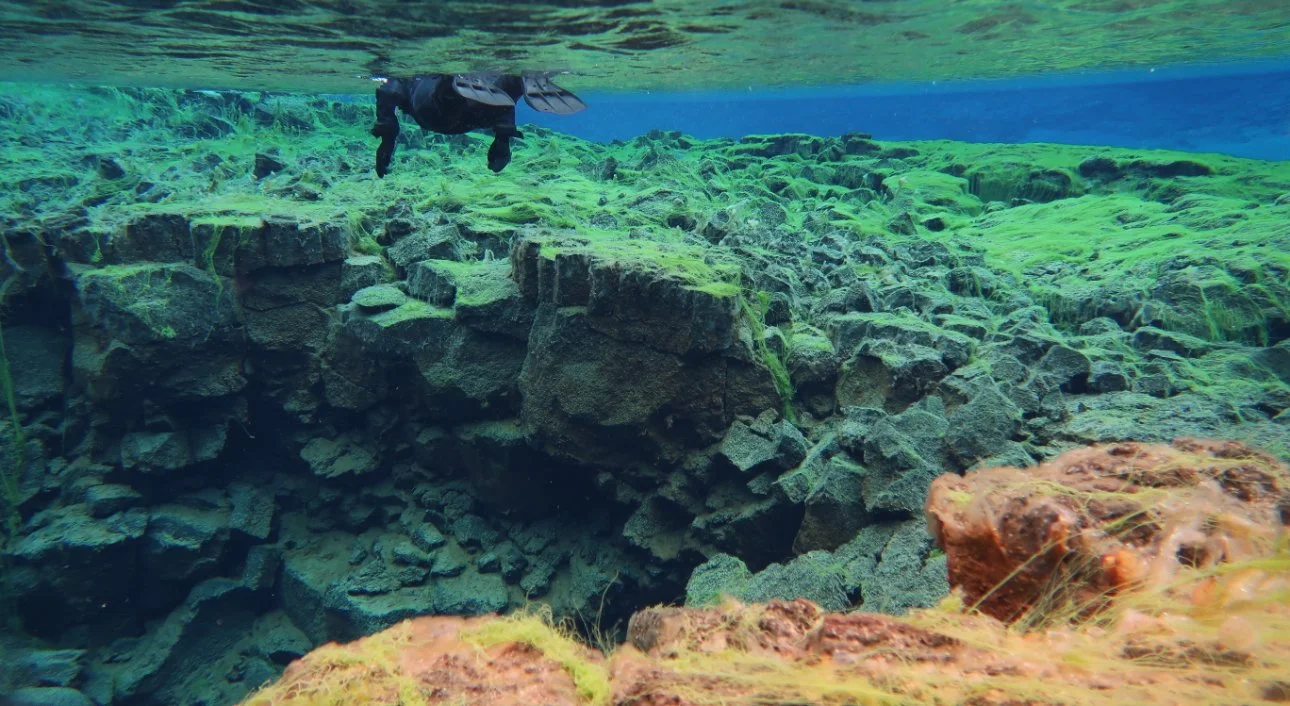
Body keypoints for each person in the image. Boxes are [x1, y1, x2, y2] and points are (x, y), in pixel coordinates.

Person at [370, 72, 586, 176]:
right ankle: (519, 80)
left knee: (440, 97)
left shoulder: (411, 80)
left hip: (435, 116)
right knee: (502, 91)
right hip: (481, 117)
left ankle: (452, 85)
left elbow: (389, 90)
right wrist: (502, 139)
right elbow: (504, 105)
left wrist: (388, 139)